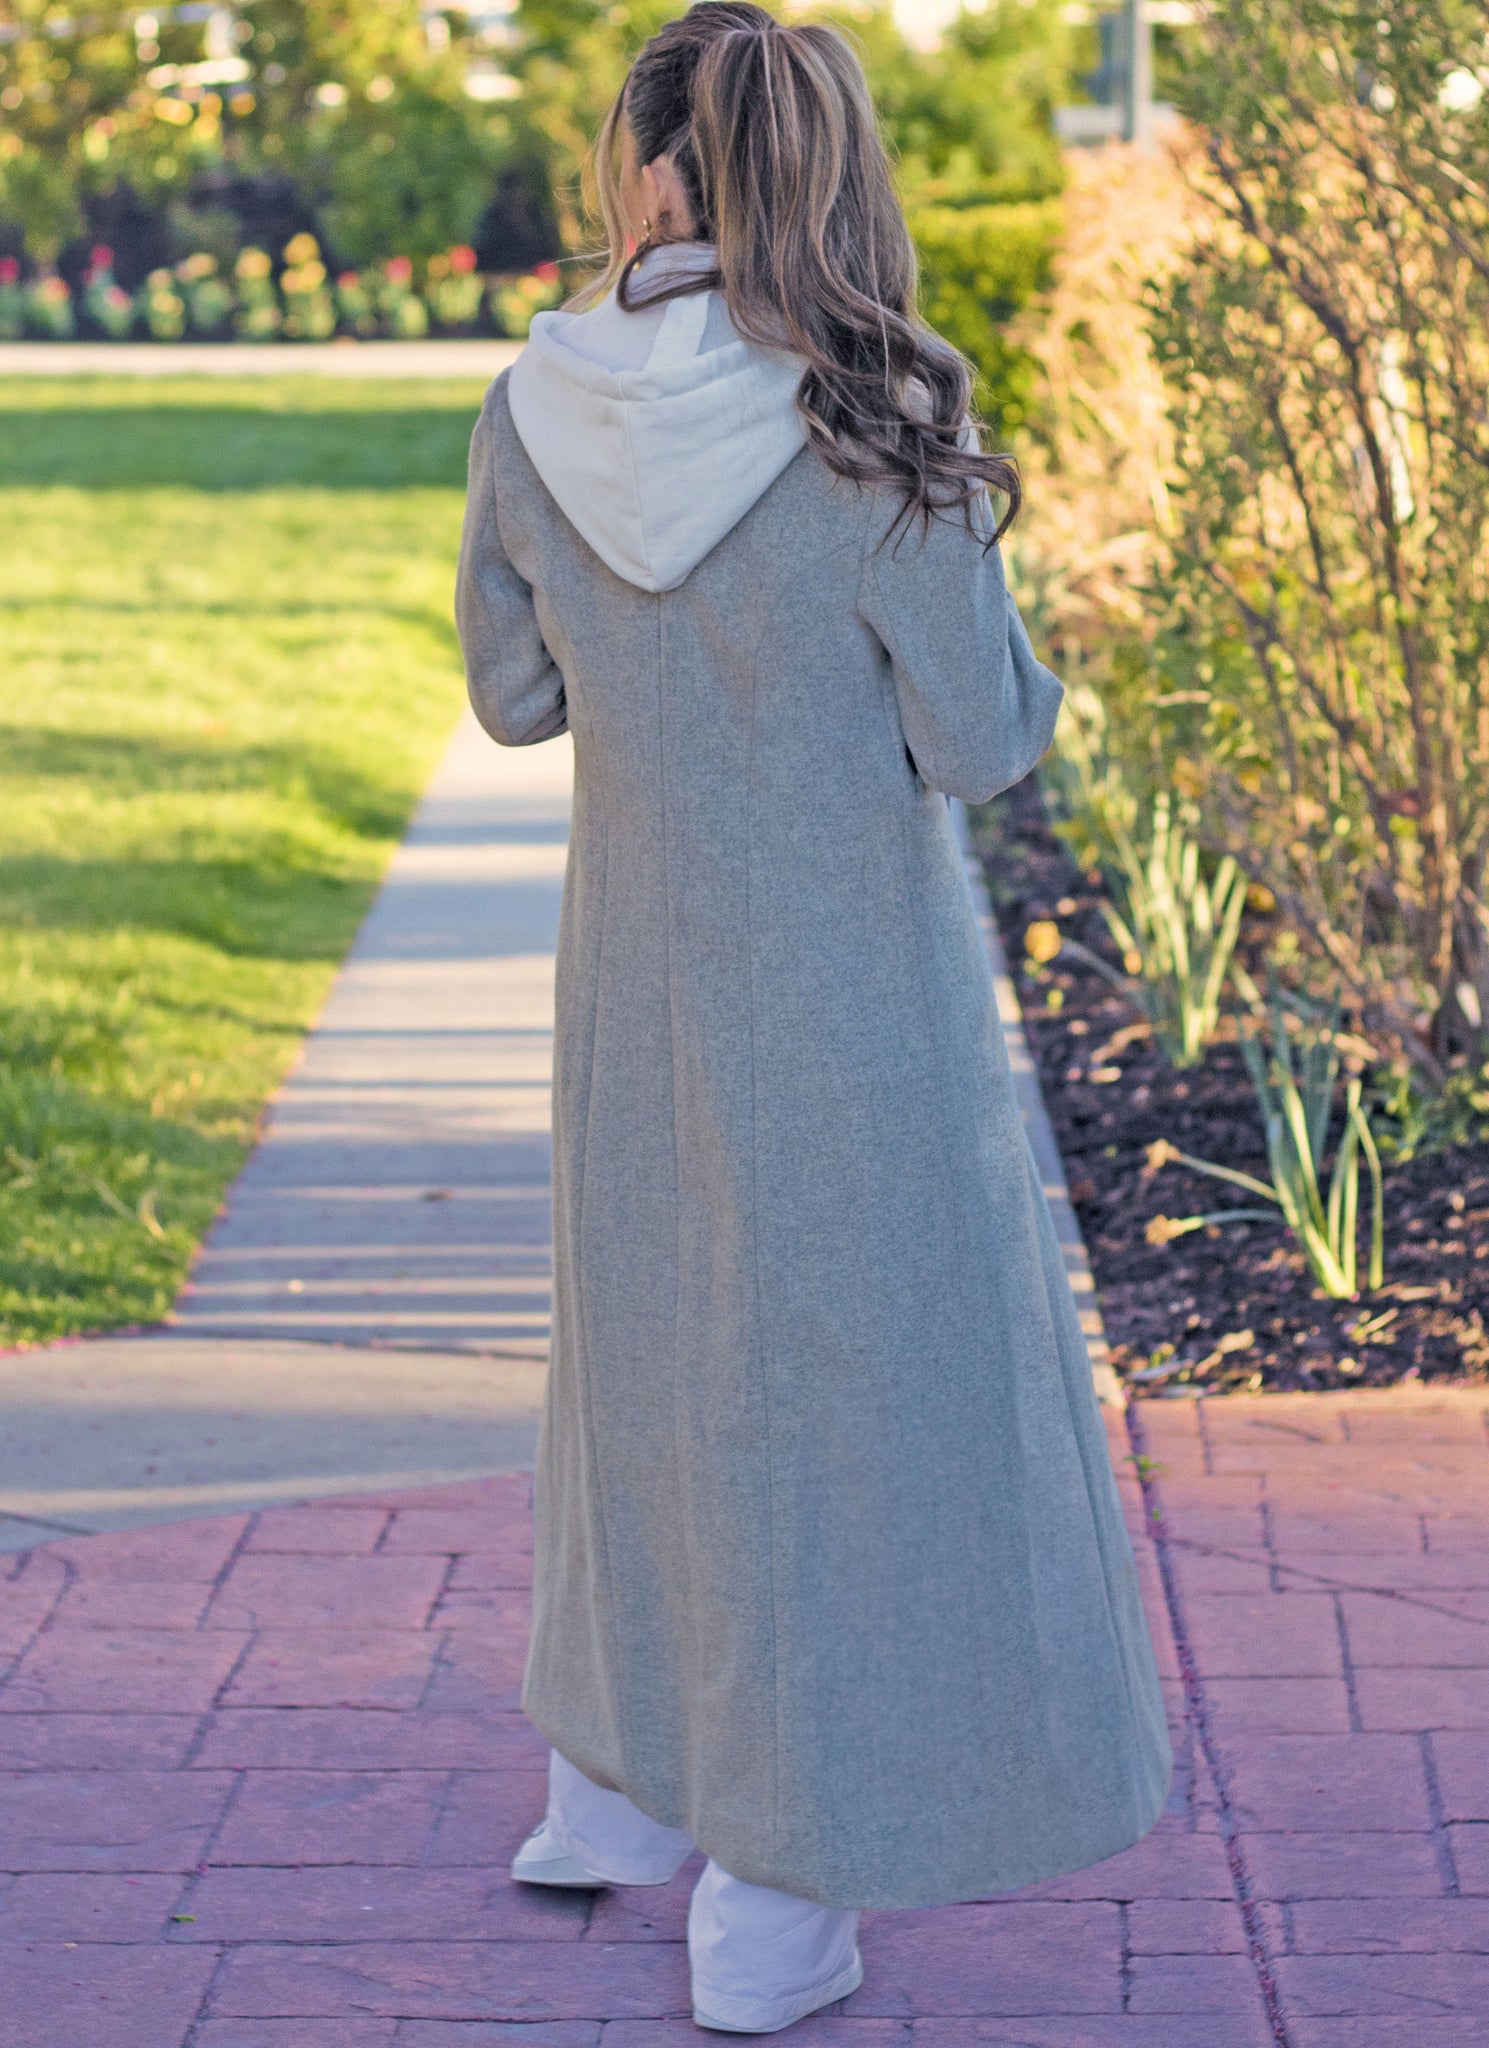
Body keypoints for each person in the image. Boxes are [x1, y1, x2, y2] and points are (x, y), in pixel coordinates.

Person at [455, 3, 1172, 2032]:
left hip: (634, 983)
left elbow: (514, 697)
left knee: (642, 1365)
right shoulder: (874, 419)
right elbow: (980, 737)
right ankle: (769, 1909)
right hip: (853, 1002)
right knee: (841, 1418)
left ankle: (604, 1793)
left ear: (645, 169)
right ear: (825, 175)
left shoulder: (532, 401)